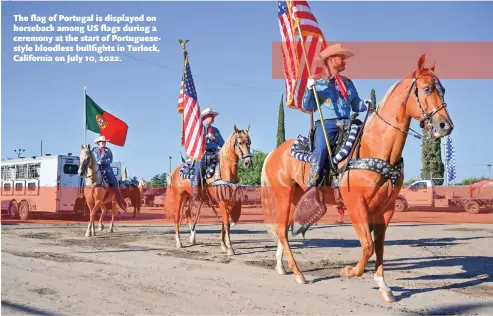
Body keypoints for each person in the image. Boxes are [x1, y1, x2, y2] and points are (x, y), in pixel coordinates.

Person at [291, 43, 375, 237]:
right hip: (326, 124)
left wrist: (366, 104)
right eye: (340, 57)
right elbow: (307, 105)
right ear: (330, 60)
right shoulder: (318, 82)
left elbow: (356, 104)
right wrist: (309, 89)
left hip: (348, 122)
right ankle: (312, 189)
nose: (344, 61)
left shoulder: (348, 82)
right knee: (320, 151)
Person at [190, 108, 225, 201]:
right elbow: (195, 143)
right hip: (202, 153)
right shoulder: (199, 128)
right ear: (205, 117)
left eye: (213, 115)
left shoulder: (215, 130)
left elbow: (223, 144)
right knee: (199, 169)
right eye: (210, 115)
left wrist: (215, 139)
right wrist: (205, 139)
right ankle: (195, 191)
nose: (213, 117)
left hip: (216, 153)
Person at [92, 135, 128, 211]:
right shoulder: (94, 150)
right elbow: (92, 158)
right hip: (95, 168)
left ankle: (120, 199)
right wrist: (96, 162)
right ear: (98, 143)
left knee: (114, 182)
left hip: (106, 168)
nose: (103, 143)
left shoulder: (108, 151)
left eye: (104, 142)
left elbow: (110, 160)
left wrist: (103, 161)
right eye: (102, 142)